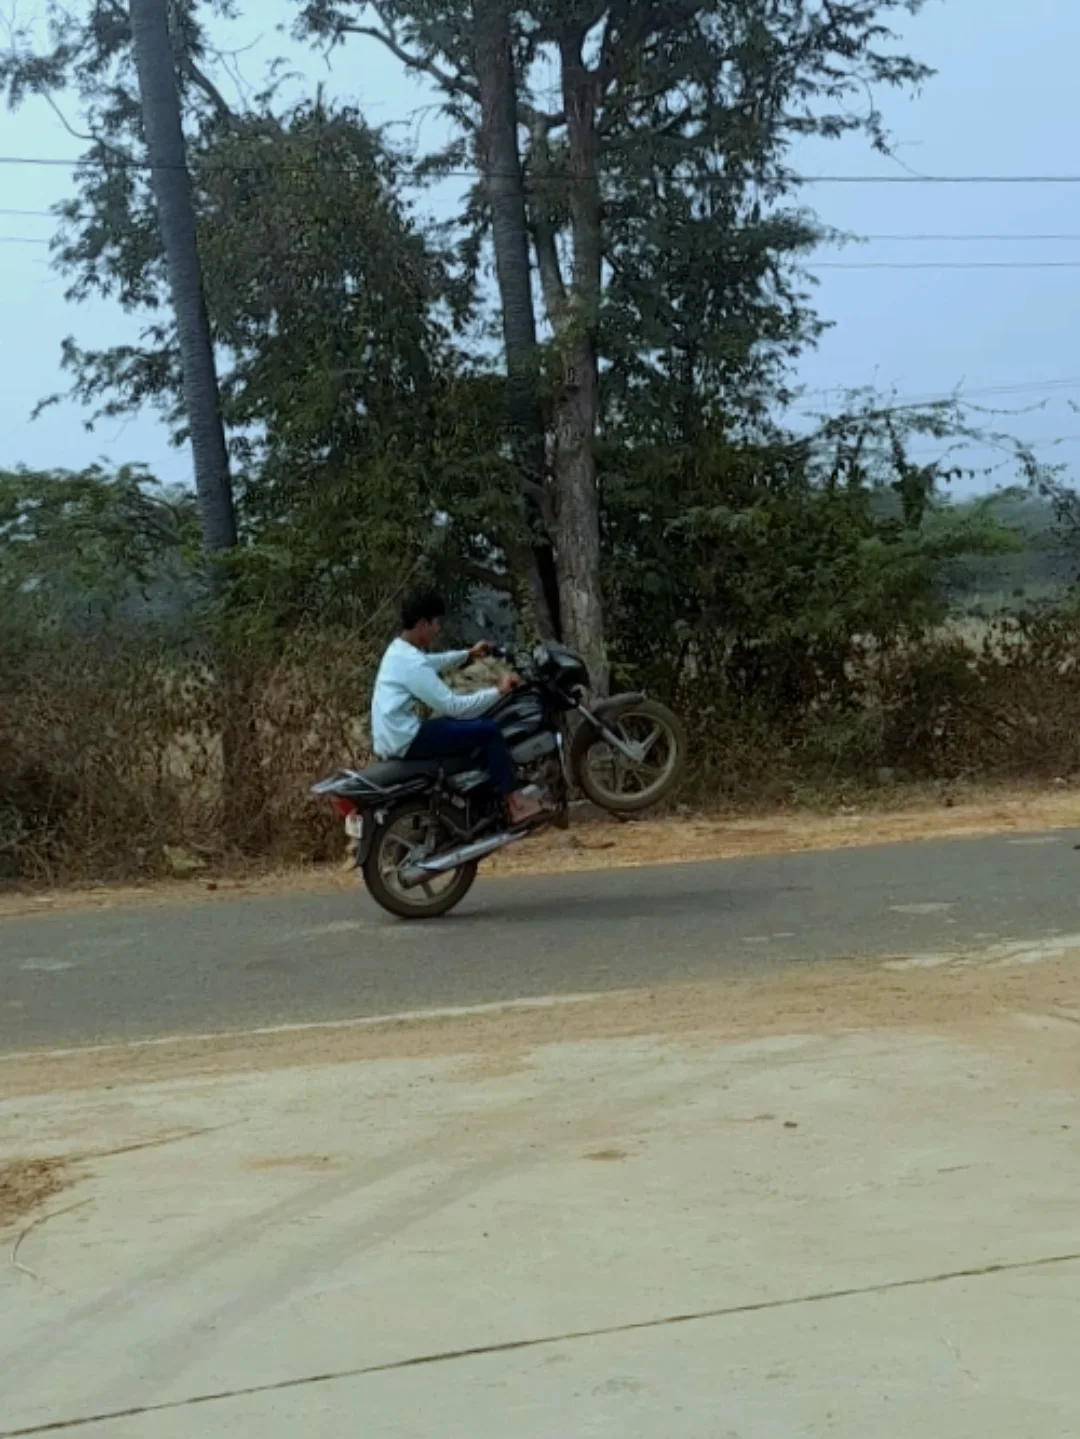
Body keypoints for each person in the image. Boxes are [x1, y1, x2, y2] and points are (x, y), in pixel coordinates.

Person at [371, 590, 543, 826]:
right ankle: (516, 804)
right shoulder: (412, 664)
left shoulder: (399, 650)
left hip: (395, 735)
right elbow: (454, 707)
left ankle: (486, 798)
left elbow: (431, 662)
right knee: (488, 730)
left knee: (461, 727)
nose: (438, 629)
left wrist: (468, 654)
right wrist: (499, 691)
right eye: (436, 622)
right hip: (407, 739)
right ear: (422, 624)